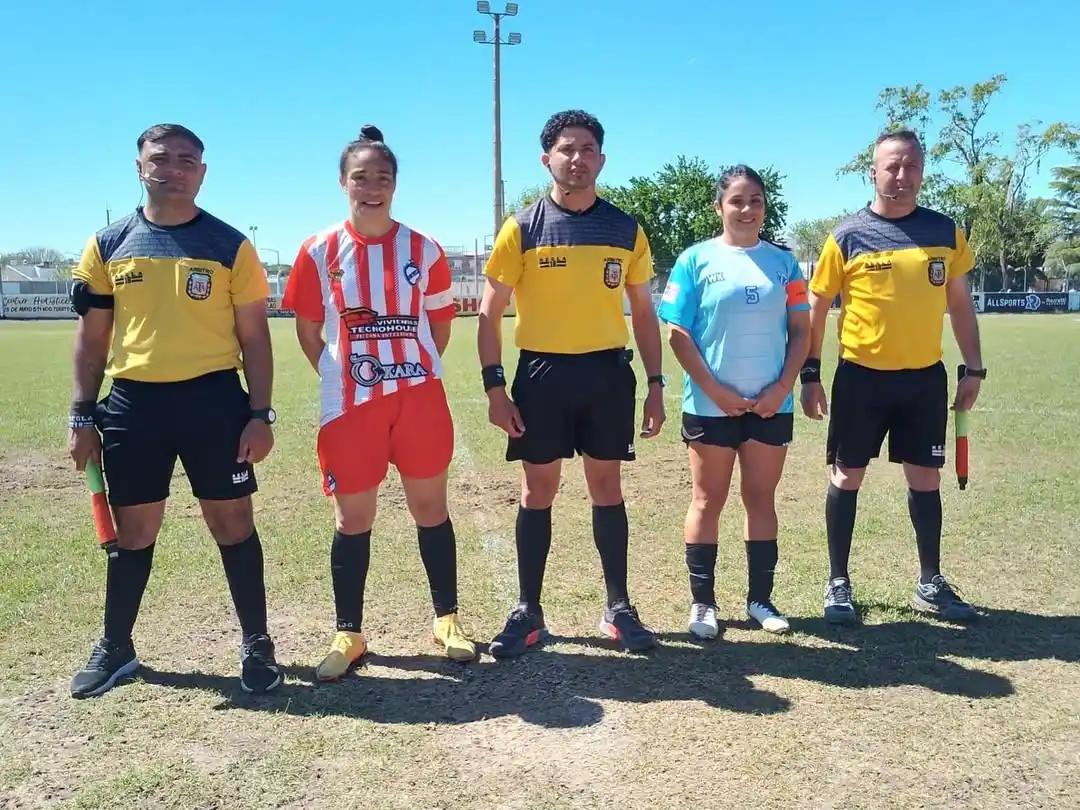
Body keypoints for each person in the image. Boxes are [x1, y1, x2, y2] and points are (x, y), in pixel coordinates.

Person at [67, 123, 281, 698]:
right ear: (140, 167)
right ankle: (117, 645)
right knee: (135, 530)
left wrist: (262, 414)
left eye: (189, 160)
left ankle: (258, 645)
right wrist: (81, 417)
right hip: (135, 406)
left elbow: (256, 338)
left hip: (214, 401)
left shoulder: (230, 245)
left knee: (233, 523)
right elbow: (92, 341)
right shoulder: (107, 244)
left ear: (203, 173)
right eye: (162, 158)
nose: (175, 168)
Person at [282, 125, 475, 681]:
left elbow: (439, 325)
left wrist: (406, 368)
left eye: (382, 178)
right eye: (360, 178)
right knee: (353, 517)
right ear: (343, 183)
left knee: (430, 510)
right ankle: (349, 632)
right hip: (352, 405)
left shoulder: (424, 248)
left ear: (395, 185)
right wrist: (341, 373)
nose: (371, 187)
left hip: (418, 399)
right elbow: (309, 327)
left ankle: (446, 619)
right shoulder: (318, 250)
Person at [478, 109, 667, 657]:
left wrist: (655, 384)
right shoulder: (523, 227)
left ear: (601, 159)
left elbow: (644, 313)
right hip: (542, 375)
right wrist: (495, 388)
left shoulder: (625, 229)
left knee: (607, 488)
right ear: (547, 158)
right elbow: (490, 315)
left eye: (587, 149)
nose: (577, 158)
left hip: (607, 374)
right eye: (567, 149)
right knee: (538, 489)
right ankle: (527, 611)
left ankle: (618, 609)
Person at [801, 128, 984, 624]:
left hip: (924, 380)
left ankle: (930, 582)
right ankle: (838, 582)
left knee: (926, 479)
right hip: (862, 379)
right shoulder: (846, 236)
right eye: (891, 167)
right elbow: (816, 310)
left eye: (911, 167)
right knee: (846, 476)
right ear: (873, 172)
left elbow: (961, 305)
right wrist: (811, 373)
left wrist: (974, 367)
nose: (901, 176)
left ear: (922, 172)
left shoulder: (946, 233)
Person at [658, 165, 811, 639]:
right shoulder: (694, 260)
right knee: (708, 500)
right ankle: (703, 605)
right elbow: (677, 332)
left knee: (760, 498)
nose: (747, 210)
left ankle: (760, 601)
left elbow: (803, 329)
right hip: (710, 406)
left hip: (771, 405)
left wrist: (783, 387)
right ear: (719, 207)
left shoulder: (784, 264)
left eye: (756, 201)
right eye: (737, 201)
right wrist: (717, 390)